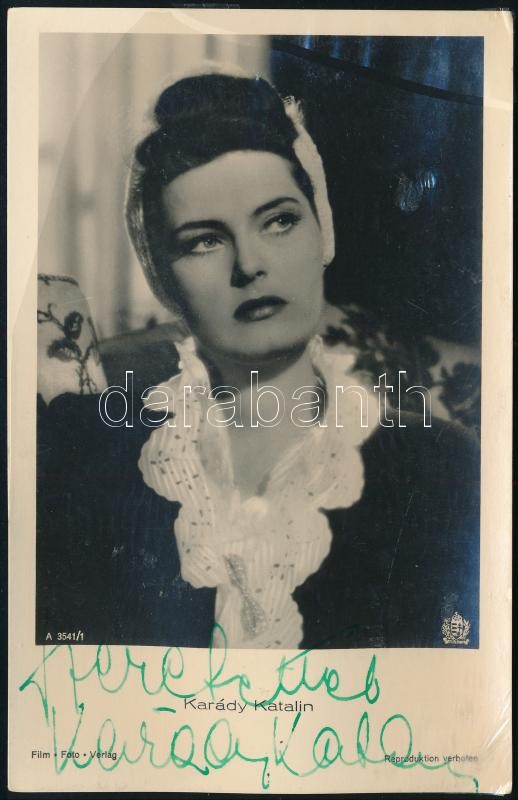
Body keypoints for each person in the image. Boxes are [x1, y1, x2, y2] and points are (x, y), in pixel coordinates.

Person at [36, 68, 480, 649]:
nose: (250, 265)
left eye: (279, 221)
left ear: (321, 233)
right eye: (205, 240)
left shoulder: (438, 468)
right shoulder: (84, 451)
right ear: (162, 276)